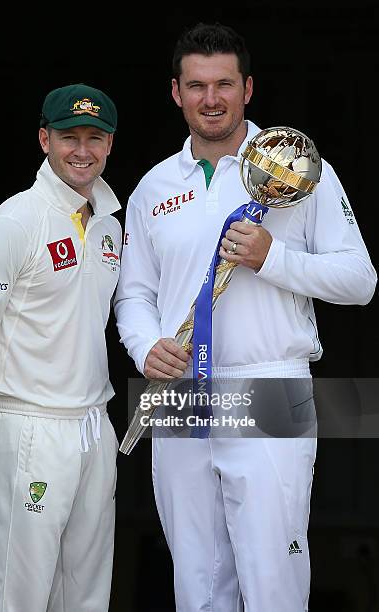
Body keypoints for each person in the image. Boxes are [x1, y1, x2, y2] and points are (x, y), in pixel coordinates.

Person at [114, 23, 377, 612]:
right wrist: (144, 347)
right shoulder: (153, 186)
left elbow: (360, 281)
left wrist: (272, 257)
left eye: (225, 84)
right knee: (198, 585)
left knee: (272, 584)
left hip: (270, 383)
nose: (212, 99)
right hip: (182, 393)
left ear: (249, 88)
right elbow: (132, 295)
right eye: (198, 85)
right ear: (176, 92)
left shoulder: (296, 168)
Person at [0, 83, 121, 612]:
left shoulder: (111, 226)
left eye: (96, 137)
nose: (82, 150)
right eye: (69, 137)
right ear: (44, 139)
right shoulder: (15, 221)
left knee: (87, 596)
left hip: (94, 424)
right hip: (27, 423)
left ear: (110, 144)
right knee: (18, 596)